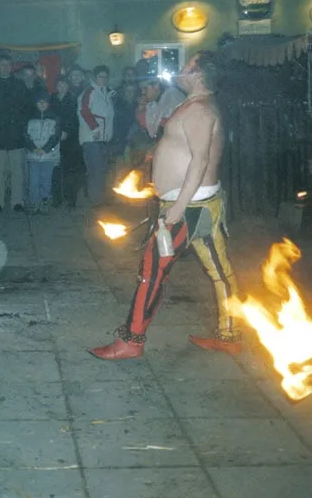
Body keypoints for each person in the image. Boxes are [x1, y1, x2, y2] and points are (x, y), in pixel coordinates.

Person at [90, 51, 242, 360]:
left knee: (153, 270)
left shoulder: (199, 110)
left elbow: (200, 161)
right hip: (200, 204)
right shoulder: (197, 105)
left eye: (187, 66)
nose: (181, 70)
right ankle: (229, 333)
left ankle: (131, 340)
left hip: (189, 207)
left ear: (198, 75)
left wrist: (177, 208)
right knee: (219, 271)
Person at [0, 53, 33, 212]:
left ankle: (17, 201)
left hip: (16, 136)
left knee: (17, 171)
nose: (5, 68)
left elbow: (27, 108)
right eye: (2, 65)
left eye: (8, 65)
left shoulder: (19, 85)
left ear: (11, 66)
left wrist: (20, 126)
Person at [78, 65, 115, 207]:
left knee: (102, 169)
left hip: (104, 138)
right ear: (94, 77)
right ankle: (96, 200)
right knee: (95, 169)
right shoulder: (90, 92)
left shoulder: (106, 93)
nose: (104, 79)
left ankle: (100, 198)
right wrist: (95, 128)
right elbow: (84, 110)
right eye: (101, 77)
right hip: (92, 139)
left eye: (106, 77)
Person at [49, 75, 85, 208]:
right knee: (56, 169)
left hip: (71, 141)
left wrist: (66, 131)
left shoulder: (73, 99)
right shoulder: (52, 99)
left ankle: (71, 198)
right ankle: (57, 197)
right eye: (59, 84)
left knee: (70, 170)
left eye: (64, 84)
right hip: (54, 138)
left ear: (68, 86)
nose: (61, 87)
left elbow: (74, 119)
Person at [25, 92, 61, 214]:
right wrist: (32, 148)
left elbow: (55, 136)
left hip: (48, 155)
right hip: (33, 155)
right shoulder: (29, 118)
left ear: (48, 103)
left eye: (44, 102)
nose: (42, 104)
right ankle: (34, 202)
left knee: (46, 179)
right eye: (39, 102)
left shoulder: (54, 118)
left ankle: (45, 200)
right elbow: (25, 135)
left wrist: (45, 149)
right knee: (33, 180)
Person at [111, 66, 139, 173]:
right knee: (120, 166)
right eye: (127, 74)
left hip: (138, 135)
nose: (130, 77)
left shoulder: (142, 93)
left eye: (132, 74)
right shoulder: (115, 94)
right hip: (119, 135)